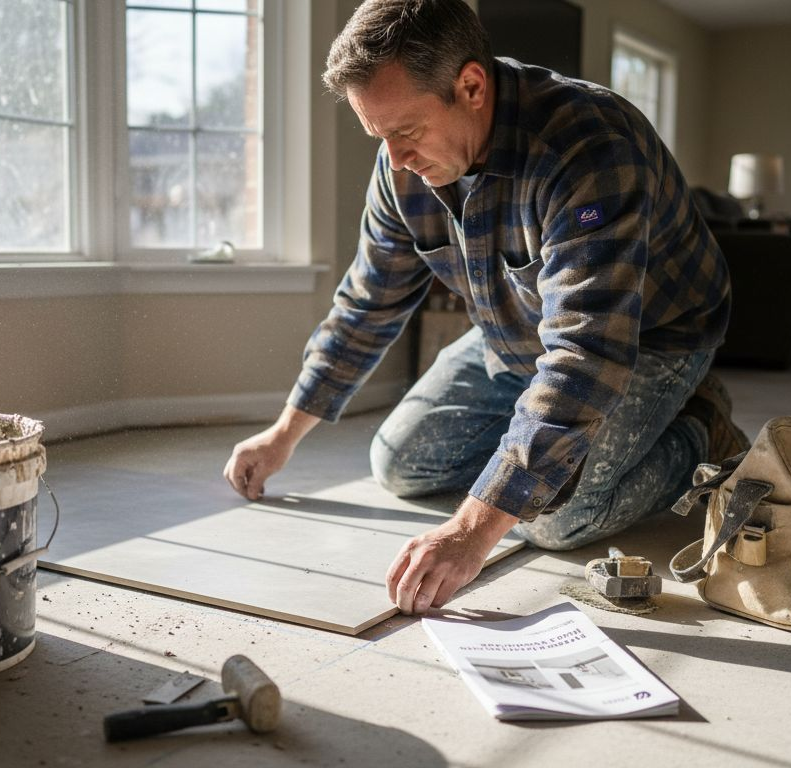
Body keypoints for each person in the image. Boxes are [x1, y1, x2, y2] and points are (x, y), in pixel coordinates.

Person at [224, 0, 747, 617]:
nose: (394, 161)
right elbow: (368, 300)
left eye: (406, 132)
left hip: (651, 334)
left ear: (471, 85)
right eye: (379, 136)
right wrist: (284, 434)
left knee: (556, 520)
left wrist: (472, 530)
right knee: (400, 463)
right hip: (515, 327)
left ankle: (697, 426)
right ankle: (557, 442)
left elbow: (586, 352)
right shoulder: (401, 168)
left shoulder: (591, 145)